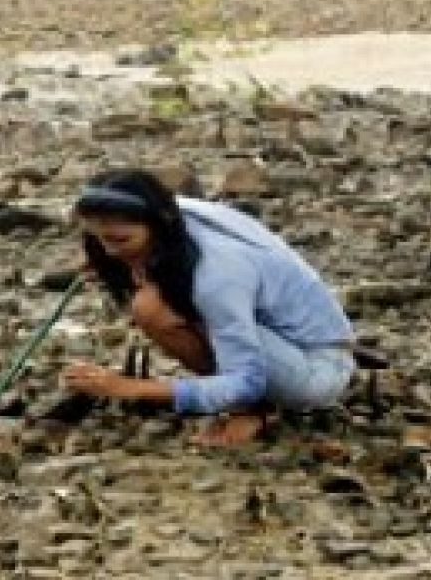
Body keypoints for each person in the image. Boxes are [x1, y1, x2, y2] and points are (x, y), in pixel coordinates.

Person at [61, 169, 355, 446]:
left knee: (152, 308)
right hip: (279, 338)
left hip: (318, 367)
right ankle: (244, 402)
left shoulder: (216, 273)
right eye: (100, 239)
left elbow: (246, 381)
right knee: (156, 301)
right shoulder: (173, 214)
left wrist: (130, 387)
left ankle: (254, 411)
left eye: (121, 241)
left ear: (158, 226)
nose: (110, 251)